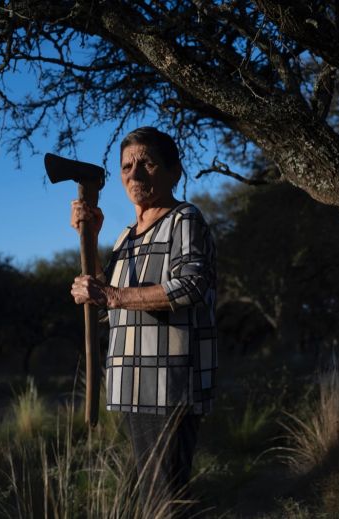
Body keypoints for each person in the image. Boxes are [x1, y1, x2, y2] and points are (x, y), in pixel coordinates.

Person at [69, 126, 217, 514]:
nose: (134, 175)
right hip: (131, 385)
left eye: (146, 163)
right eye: (126, 166)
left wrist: (108, 295)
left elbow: (190, 286)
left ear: (173, 172)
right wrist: (93, 240)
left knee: (167, 501)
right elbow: (110, 303)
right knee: (151, 498)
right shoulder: (124, 237)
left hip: (167, 382)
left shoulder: (185, 219)